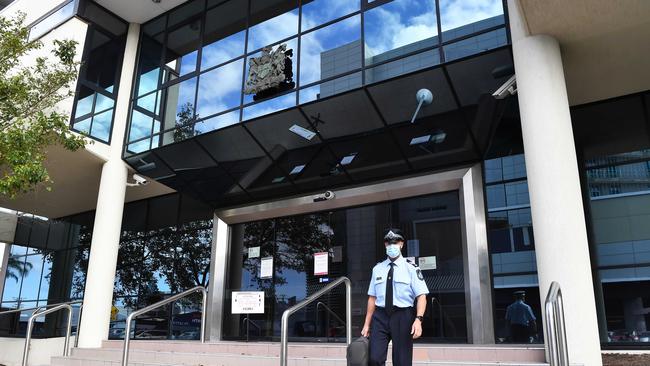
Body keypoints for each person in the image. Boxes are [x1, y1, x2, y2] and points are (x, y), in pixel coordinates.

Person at [361, 228, 429, 366]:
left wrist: (418, 320)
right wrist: (367, 324)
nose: (392, 245)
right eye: (388, 242)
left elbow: (421, 296)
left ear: (402, 244)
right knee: (374, 359)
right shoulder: (377, 269)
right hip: (380, 316)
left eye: (395, 242)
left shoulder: (412, 268)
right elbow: (372, 298)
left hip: (402, 316)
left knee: (402, 361)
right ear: (385, 245)